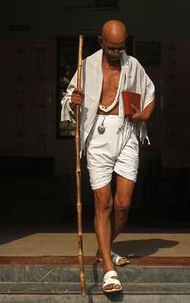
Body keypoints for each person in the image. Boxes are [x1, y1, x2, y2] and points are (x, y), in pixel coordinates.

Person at [61, 19, 155, 294]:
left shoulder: (133, 64)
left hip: (127, 134)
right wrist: (74, 101)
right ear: (101, 42)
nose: (117, 53)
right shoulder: (86, 65)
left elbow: (149, 92)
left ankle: (105, 249)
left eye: (121, 47)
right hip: (97, 137)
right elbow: (69, 99)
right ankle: (109, 271)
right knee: (103, 204)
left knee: (123, 204)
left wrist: (145, 113)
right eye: (112, 48)